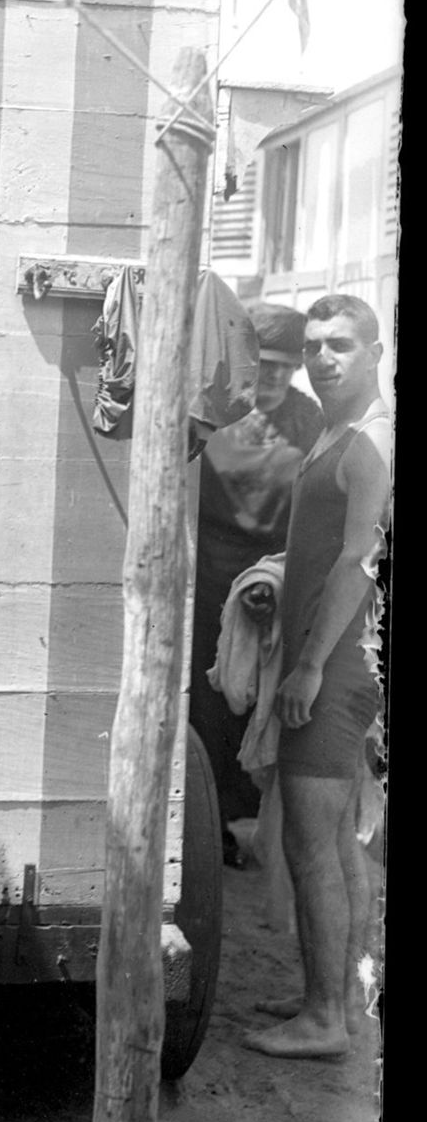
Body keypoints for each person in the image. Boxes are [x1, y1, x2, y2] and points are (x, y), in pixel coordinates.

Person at [242, 293, 391, 1059]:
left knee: (312, 843)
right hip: (326, 660)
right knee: (334, 842)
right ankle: (331, 996)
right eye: (313, 347)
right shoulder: (337, 431)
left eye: (340, 345)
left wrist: (307, 665)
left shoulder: (370, 442)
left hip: (334, 670)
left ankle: (326, 1017)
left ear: (376, 352)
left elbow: (360, 562)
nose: (323, 358)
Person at [190, 303, 323, 865]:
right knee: (208, 707)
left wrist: (282, 575)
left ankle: (264, 830)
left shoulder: (309, 419)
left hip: (277, 578)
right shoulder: (216, 408)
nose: (272, 377)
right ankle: (205, 827)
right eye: (264, 362)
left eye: (285, 367)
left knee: (266, 706)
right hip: (208, 579)